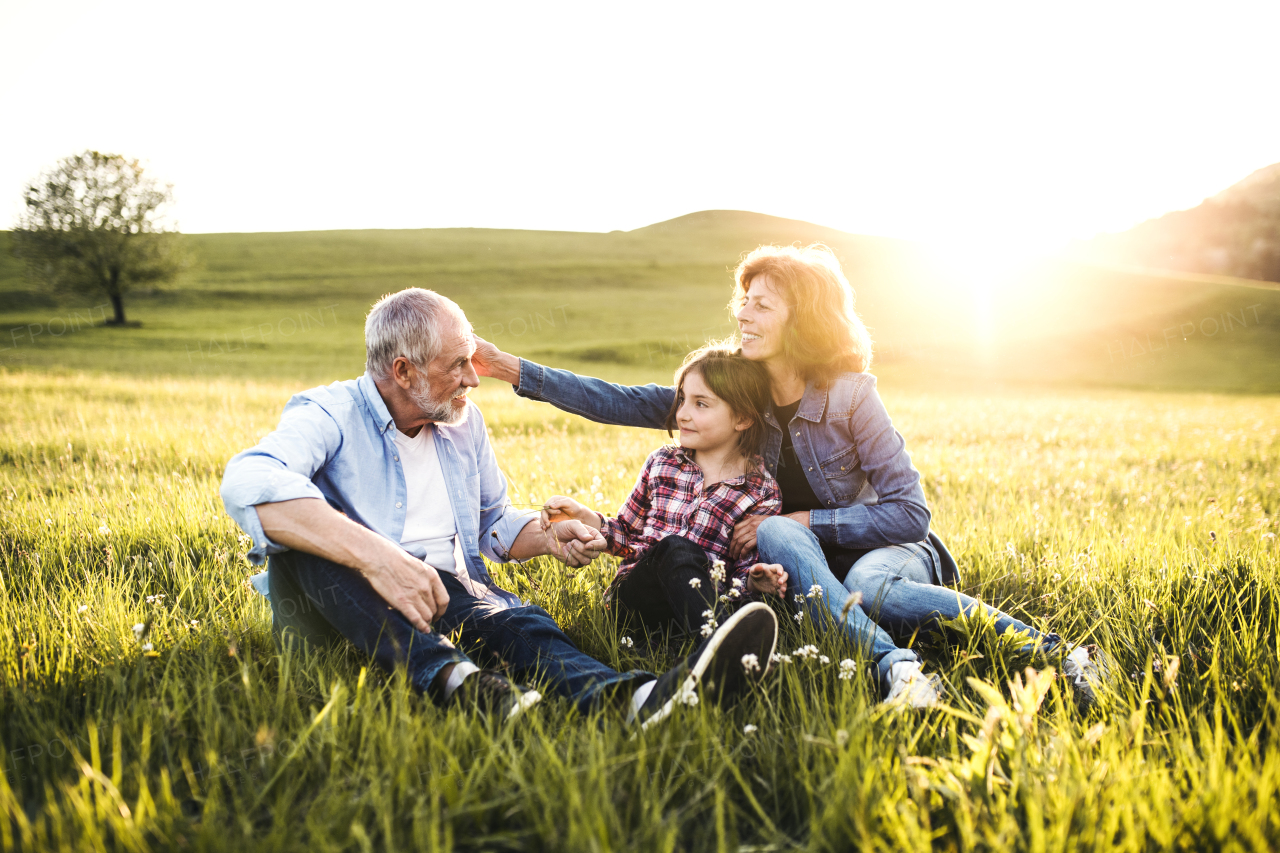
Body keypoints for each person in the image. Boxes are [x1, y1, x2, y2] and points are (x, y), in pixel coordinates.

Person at [473, 245, 1105, 707]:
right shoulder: (735, 392)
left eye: (761, 304)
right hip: (795, 567)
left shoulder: (854, 396)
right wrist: (513, 370)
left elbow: (911, 513)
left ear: (800, 318)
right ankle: (885, 664)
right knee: (778, 540)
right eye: (742, 301)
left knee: (868, 585)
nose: (743, 314)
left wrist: (803, 519)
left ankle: (1044, 656)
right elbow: (618, 398)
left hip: (886, 550)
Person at [220, 288, 779, 726]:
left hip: (455, 592)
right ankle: (455, 681)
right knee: (302, 548)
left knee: (523, 626)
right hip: (351, 603)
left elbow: (492, 523)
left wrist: (546, 531)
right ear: (402, 371)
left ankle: (640, 699)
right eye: (457, 365)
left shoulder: (462, 424)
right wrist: (380, 560)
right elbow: (250, 480)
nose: (472, 380)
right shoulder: (330, 413)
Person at [541, 343, 788, 646]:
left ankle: (703, 645)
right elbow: (626, 534)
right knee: (676, 548)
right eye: (682, 399)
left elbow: (741, 572)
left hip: (702, 607)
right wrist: (585, 517)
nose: (682, 414)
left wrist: (755, 579)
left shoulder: (761, 491)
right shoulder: (662, 463)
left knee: (686, 594)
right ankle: (730, 646)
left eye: (701, 404)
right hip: (635, 603)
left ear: (742, 418)